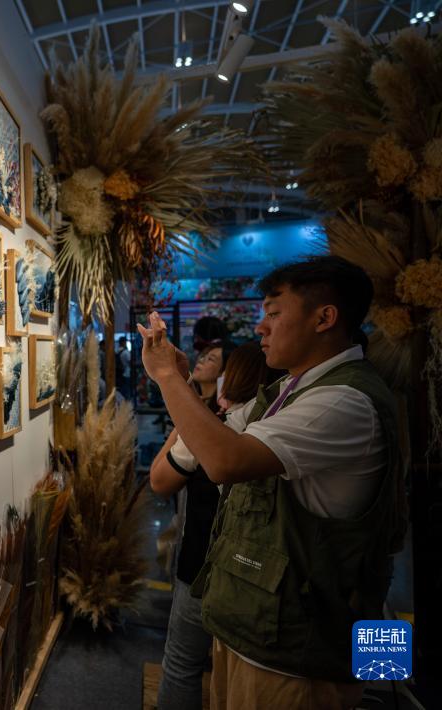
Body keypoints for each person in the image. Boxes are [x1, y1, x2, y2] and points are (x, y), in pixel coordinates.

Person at [136, 256, 405, 710]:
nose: (260, 327)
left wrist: (166, 377)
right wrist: (179, 382)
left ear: (324, 318)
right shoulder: (288, 391)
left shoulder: (343, 401)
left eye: (274, 313)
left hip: (296, 658)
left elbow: (222, 460)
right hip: (256, 634)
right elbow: (206, 438)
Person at [150, 342, 277, 710]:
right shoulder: (277, 419)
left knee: (182, 663)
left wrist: (185, 416)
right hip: (262, 574)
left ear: (233, 376)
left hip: (203, 566)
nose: (206, 364)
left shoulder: (221, 427)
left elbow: (159, 481)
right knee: (237, 669)